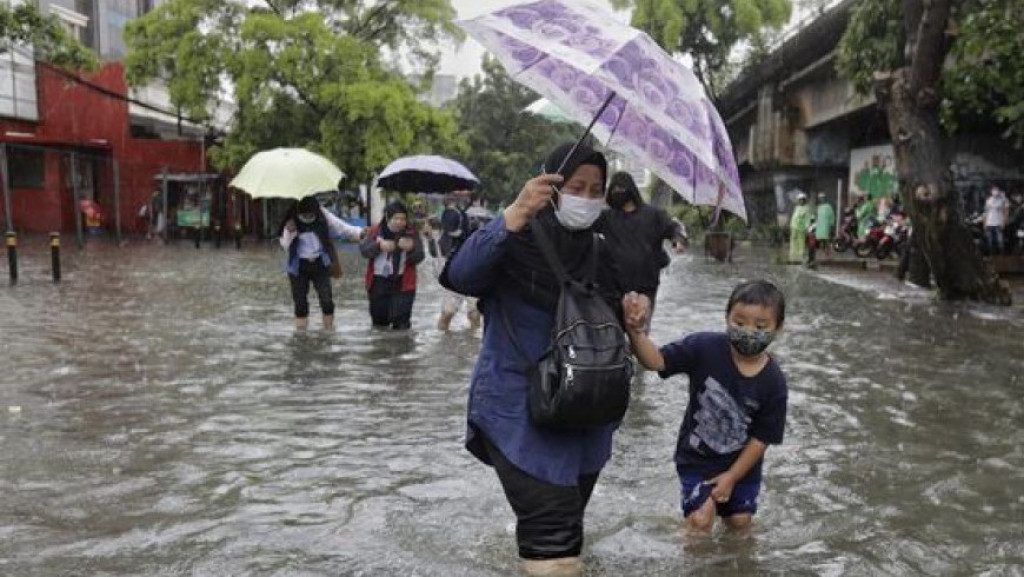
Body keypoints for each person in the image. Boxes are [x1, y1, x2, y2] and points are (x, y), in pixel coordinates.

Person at [444, 143, 623, 577]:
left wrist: (633, 319)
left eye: (596, 189)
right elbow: (459, 276)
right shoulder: (513, 235)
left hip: (586, 413)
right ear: (550, 185)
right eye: (576, 186)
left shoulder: (601, 248)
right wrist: (515, 213)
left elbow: (613, 327)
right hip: (518, 409)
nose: (586, 196)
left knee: (567, 530)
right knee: (553, 540)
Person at [622, 280, 788, 534]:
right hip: (696, 460)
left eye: (760, 326)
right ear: (726, 318)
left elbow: (761, 439)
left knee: (740, 525)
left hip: (743, 468)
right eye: (739, 322)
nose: (748, 331)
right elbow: (656, 361)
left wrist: (732, 477)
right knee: (701, 520)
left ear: (778, 328)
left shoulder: (774, 382)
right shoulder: (704, 347)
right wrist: (636, 333)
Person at [600, 171, 686, 333]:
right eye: (614, 189)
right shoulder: (607, 217)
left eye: (621, 189)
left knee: (639, 330)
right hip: (614, 288)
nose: (618, 193)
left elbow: (673, 228)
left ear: (631, 189)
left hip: (646, 287)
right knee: (614, 331)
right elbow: (582, 227)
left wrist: (678, 242)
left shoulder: (653, 215)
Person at [279, 195, 364, 330]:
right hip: (298, 266)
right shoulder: (291, 218)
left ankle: (329, 331)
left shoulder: (323, 215)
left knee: (327, 300)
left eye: (310, 215)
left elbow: (342, 228)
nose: (308, 218)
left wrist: (361, 233)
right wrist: (290, 232)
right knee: (300, 304)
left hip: (320, 263)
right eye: (304, 216)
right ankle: (301, 335)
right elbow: (285, 246)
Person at [360, 201, 425, 330]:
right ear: (388, 218)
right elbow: (364, 251)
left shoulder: (411, 233)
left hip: (403, 283)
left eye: (403, 219)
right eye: (396, 218)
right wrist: (378, 246)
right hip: (378, 282)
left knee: (402, 325)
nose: (400, 222)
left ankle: (401, 348)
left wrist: (411, 248)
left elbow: (420, 256)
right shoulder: (374, 231)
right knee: (379, 324)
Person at [434, 192, 481, 331]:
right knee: (448, 312)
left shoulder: (467, 215)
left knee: (474, 312)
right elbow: (439, 249)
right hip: (452, 268)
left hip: (471, 267)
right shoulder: (448, 217)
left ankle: (473, 341)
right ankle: (445, 340)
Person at [983, 186, 1009, 255]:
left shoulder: (1002, 200)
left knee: (1000, 241)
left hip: (998, 223)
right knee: (990, 241)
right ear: (991, 191)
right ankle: (992, 255)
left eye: (996, 190)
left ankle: (1001, 255)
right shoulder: (988, 200)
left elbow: (1006, 209)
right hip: (989, 223)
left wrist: (1004, 221)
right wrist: (985, 223)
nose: (995, 191)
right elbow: (986, 212)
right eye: (993, 190)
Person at [788, 192, 812, 263]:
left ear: (804, 200)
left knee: (801, 241)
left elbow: (807, 218)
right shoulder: (796, 207)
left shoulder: (807, 208)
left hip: (801, 228)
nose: (801, 201)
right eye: (800, 200)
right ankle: (793, 253)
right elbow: (794, 217)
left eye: (802, 200)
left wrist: (807, 227)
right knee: (793, 240)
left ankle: (800, 254)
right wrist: (791, 225)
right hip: (794, 226)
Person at [814, 192, 835, 259]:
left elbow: (832, 216)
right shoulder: (818, 207)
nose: (821, 199)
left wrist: (831, 224)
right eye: (820, 198)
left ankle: (828, 253)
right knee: (820, 240)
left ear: (825, 198)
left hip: (826, 225)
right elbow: (816, 216)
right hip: (819, 225)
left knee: (826, 240)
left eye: (822, 198)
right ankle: (822, 253)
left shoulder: (828, 206)